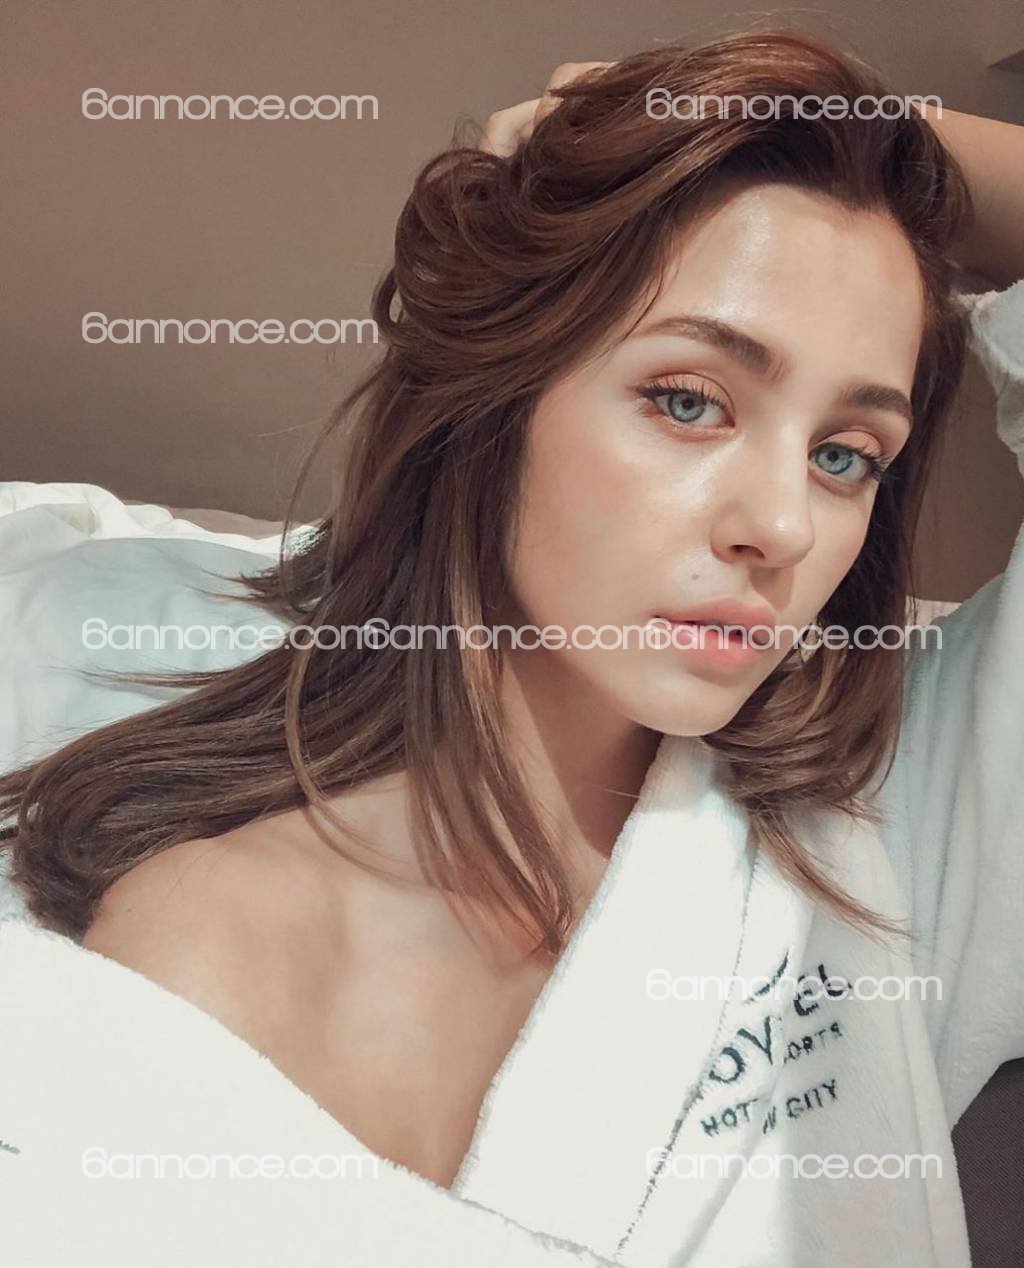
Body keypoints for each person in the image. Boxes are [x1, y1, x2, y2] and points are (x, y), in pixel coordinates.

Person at [1, 26, 1022, 1268]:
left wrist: (864, 138)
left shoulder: (889, 818)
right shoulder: (214, 954)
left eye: (844, 455)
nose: (783, 525)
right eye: (689, 400)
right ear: (494, 400)